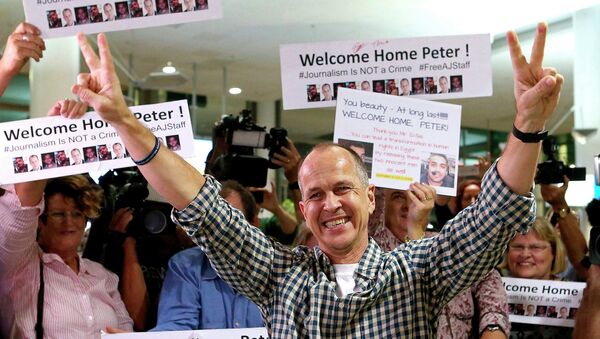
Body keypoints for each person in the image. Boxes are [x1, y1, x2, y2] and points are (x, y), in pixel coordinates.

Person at [69, 22, 563, 336]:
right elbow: (200, 203)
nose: (330, 204)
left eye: (343, 189)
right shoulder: (280, 273)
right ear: (301, 209)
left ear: (370, 198)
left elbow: (497, 210)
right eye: (314, 194)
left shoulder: (420, 267)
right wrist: (124, 122)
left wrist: (527, 127)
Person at [0, 174, 133, 337]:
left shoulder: (104, 276)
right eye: (58, 214)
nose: (69, 222)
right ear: (40, 221)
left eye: (77, 214)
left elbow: (127, 331)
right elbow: (20, 210)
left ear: (85, 220)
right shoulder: (19, 264)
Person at [371, 185, 510, 339]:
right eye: (398, 196)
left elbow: (490, 289)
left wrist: (493, 327)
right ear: (383, 203)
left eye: (418, 195)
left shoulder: (447, 242)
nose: (410, 204)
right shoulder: (372, 254)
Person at [152, 181, 263, 331]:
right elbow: (175, 329)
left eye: (230, 221)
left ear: (254, 224)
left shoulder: (277, 270)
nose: (218, 231)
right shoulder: (185, 266)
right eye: (209, 222)